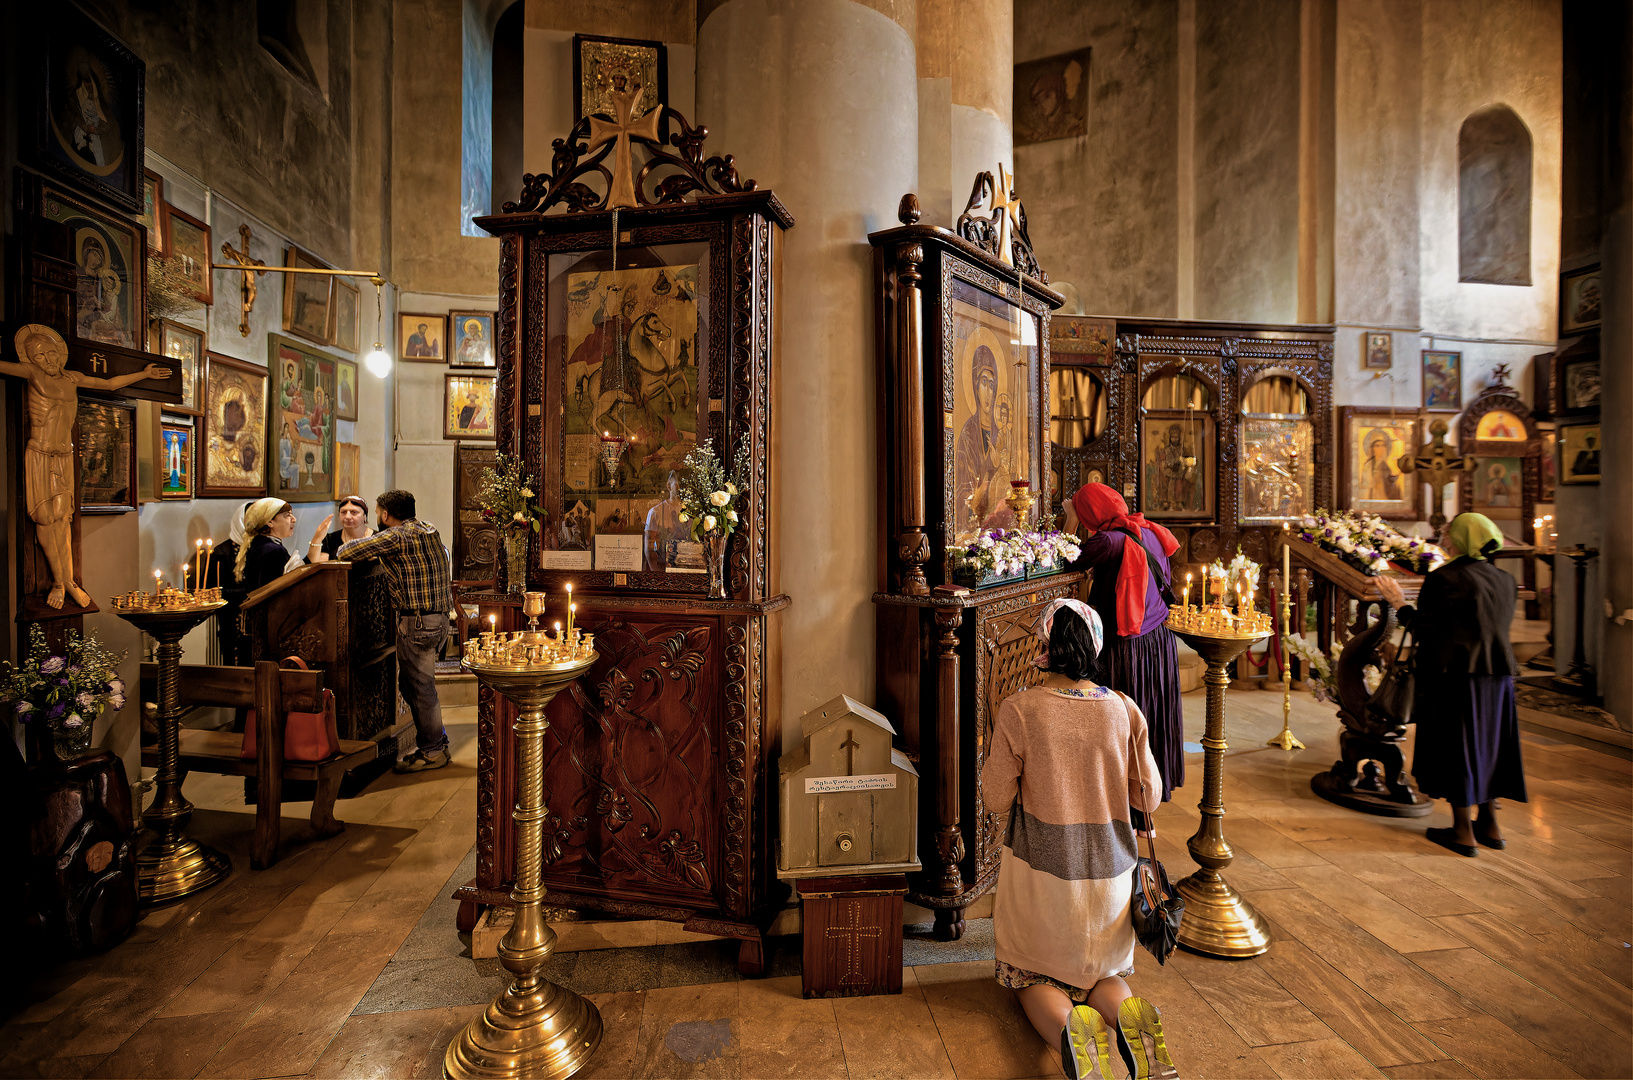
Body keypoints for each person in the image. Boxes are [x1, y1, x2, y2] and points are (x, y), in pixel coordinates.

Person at [981, 599, 1173, 1080]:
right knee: (1104, 975)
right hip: (1111, 879)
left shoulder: (1020, 710)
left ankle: (1072, 1035)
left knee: (1032, 975)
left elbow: (995, 798)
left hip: (1044, 876)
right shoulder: (1124, 709)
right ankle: (1131, 1027)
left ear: (1043, 648)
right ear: (1095, 645)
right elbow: (1149, 792)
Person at [1377, 513, 1525, 857]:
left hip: (1455, 676)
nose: (1443, 539)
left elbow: (1426, 629)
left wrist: (1399, 603)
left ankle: (1462, 831)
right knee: (1491, 745)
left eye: (1447, 533)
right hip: (1498, 675)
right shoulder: (1504, 579)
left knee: (1457, 745)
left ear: (1458, 540)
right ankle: (1489, 824)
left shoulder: (1445, 579)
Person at [1065, 483, 1186, 806]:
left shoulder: (1107, 540)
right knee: (1151, 716)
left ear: (1089, 513)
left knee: (1123, 721)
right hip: (1158, 641)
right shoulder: (1150, 530)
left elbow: (1065, 561)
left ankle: (1127, 806)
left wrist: (1070, 520)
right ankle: (1150, 803)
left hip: (1127, 648)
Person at [337, 490, 453, 773]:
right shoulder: (429, 529)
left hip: (418, 623)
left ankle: (433, 751)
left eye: (378, 512)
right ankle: (436, 742)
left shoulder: (396, 536)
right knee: (416, 686)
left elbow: (345, 551)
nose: (378, 517)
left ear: (386, 515)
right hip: (438, 620)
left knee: (419, 688)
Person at [207, 500, 257, 664]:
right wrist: (247, 593)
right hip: (232, 619)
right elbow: (213, 591)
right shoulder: (222, 552)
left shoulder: (261, 548)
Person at [234, 498, 301, 593]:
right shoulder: (274, 550)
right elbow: (272, 593)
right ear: (270, 521)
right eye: (287, 516)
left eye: (292, 514)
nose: (294, 519)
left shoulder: (258, 543)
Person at [305, 495, 373, 563]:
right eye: (343, 512)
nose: (348, 516)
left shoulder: (377, 538)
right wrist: (317, 538)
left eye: (354, 512)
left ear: (365, 516)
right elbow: (314, 567)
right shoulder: (330, 540)